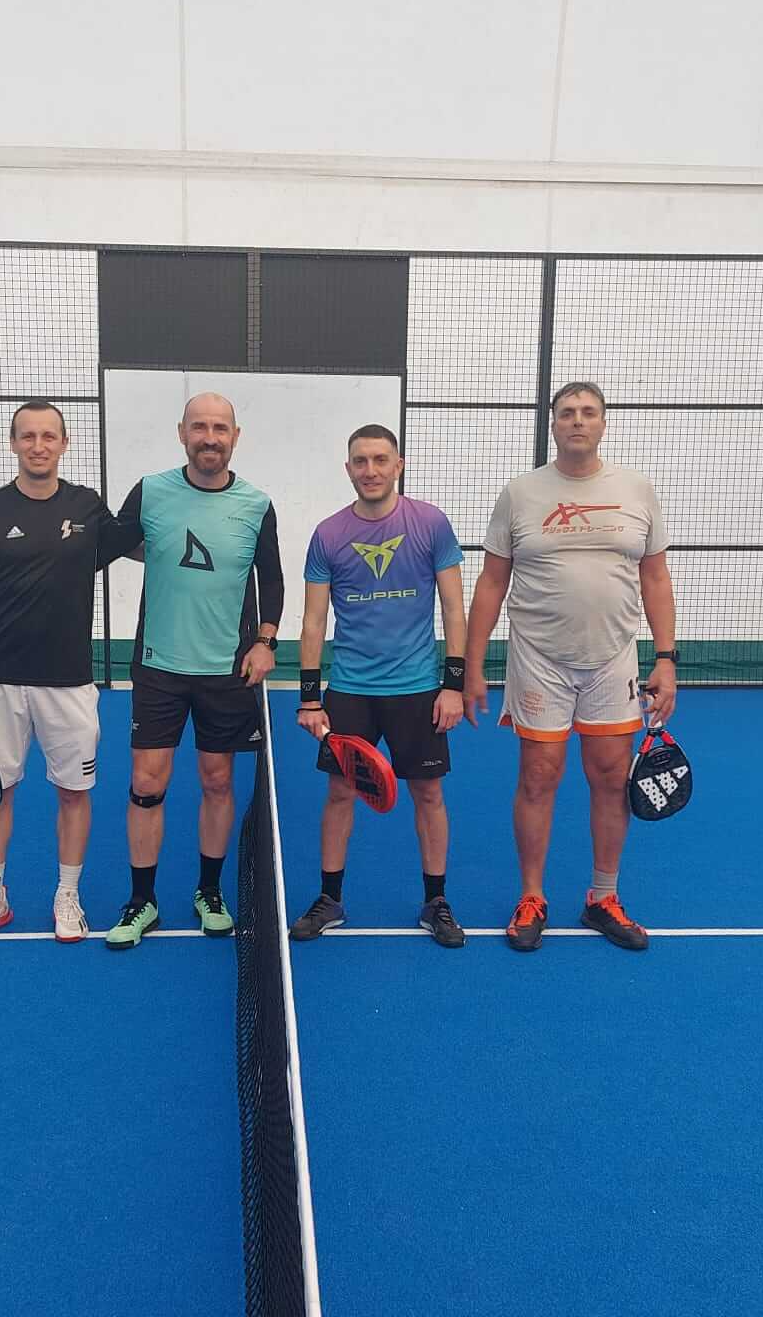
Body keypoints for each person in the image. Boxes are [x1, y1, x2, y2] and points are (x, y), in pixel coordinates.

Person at [463, 380, 678, 952]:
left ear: (603, 423)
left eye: (588, 412)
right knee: (539, 776)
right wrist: (470, 665)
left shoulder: (636, 490)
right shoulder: (521, 493)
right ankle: (532, 896)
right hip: (539, 660)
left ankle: (603, 897)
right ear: (553, 424)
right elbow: (491, 582)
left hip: (613, 659)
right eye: (566, 413)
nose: (577, 420)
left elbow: (655, 577)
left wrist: (666, 659)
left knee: (610, 776)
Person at [0, 399, 135, 945]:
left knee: (73, 791)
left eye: (49, 436)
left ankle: (67, 895)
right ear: (13, 443)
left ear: (64, 444)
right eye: (28, 436)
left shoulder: (87, 506)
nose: (38, 446)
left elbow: (139, 544)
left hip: (69, 682)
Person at [104, 393, 284, 948]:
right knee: (146, 783)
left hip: (227, 671)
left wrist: (265, 642)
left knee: (218, 780)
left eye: (220, 428)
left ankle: (209, 891)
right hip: (158, 667)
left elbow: (272, 579)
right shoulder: (150, 491)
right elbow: (101, 548)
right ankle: (142, 901)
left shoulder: (257, 504)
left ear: (236, 436)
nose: (210, 437)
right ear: (182, 432)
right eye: (200, 427)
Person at [289, 423, 468, 948]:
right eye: (361, 461)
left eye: (380, 460)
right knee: (340, 791)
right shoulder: (328, 534)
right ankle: (330, 899)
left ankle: (436, 901)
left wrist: (452, 685)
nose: (370, 470)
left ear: (398, 465)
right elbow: (313, 621)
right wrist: (309, 698)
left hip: (418, 688)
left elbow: (454, 608)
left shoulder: (430, 523)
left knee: (428, 793)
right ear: (348, 469)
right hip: (351, 689)